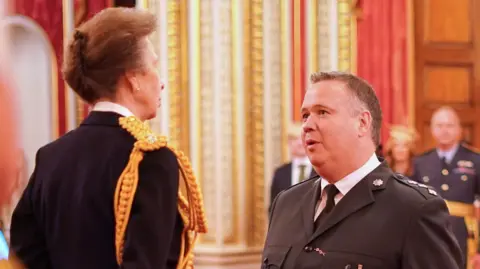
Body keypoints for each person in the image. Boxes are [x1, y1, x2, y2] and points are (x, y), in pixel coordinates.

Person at [9, 7, 207, 269]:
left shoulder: (50, 158)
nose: (161, 82)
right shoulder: (151, 159)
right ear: (133, 78)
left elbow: (25, 259)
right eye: (154, 65)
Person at [262, 71, 463, 269]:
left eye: (322, 112)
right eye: (305, 115)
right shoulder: (286, 202)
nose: (307, 125)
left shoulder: (413, 209)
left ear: (362, 123)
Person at [411, 106, 480, 269]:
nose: (444, 130)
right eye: (439, 126)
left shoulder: (476, 160)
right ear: (432, 130)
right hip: (428, 232)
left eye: (449, 126)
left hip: (463, 233)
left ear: (459, 130)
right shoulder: (421, 162)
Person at [269, 123, 316, 213]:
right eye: (294, 139)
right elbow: (273, 207)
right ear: (289, 142)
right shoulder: (280, 173)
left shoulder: (321, 171)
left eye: (302, 138)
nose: (299, 143)